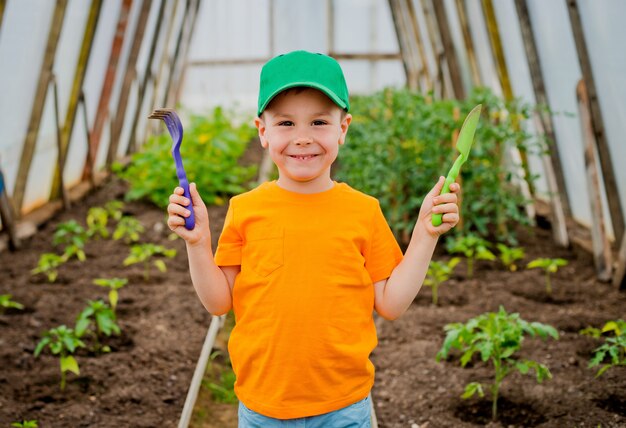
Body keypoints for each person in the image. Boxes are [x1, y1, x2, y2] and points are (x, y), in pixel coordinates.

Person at [167, 50, 460, 428]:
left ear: (343, 128)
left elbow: (390, 303)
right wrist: (197, 243)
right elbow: (219, 303)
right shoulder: (246, 209)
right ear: (262, 131)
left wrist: (425, 234)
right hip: (263, 410)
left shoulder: (363, 211)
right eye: (286, 123)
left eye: (319, 122)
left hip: (345, 408)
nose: (302, 138)